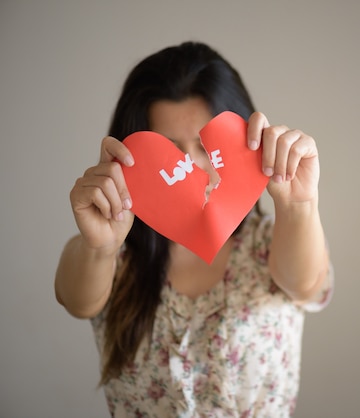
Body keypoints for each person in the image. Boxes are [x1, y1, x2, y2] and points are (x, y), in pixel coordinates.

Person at [54, 41, 333, 417]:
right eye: (171, 151)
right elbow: (76, 301)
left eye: (206, 148)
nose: (196, 172)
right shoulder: (112, 255)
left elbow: (305, 283)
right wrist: (100, 247)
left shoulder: (271, 243)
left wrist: (299, 205)